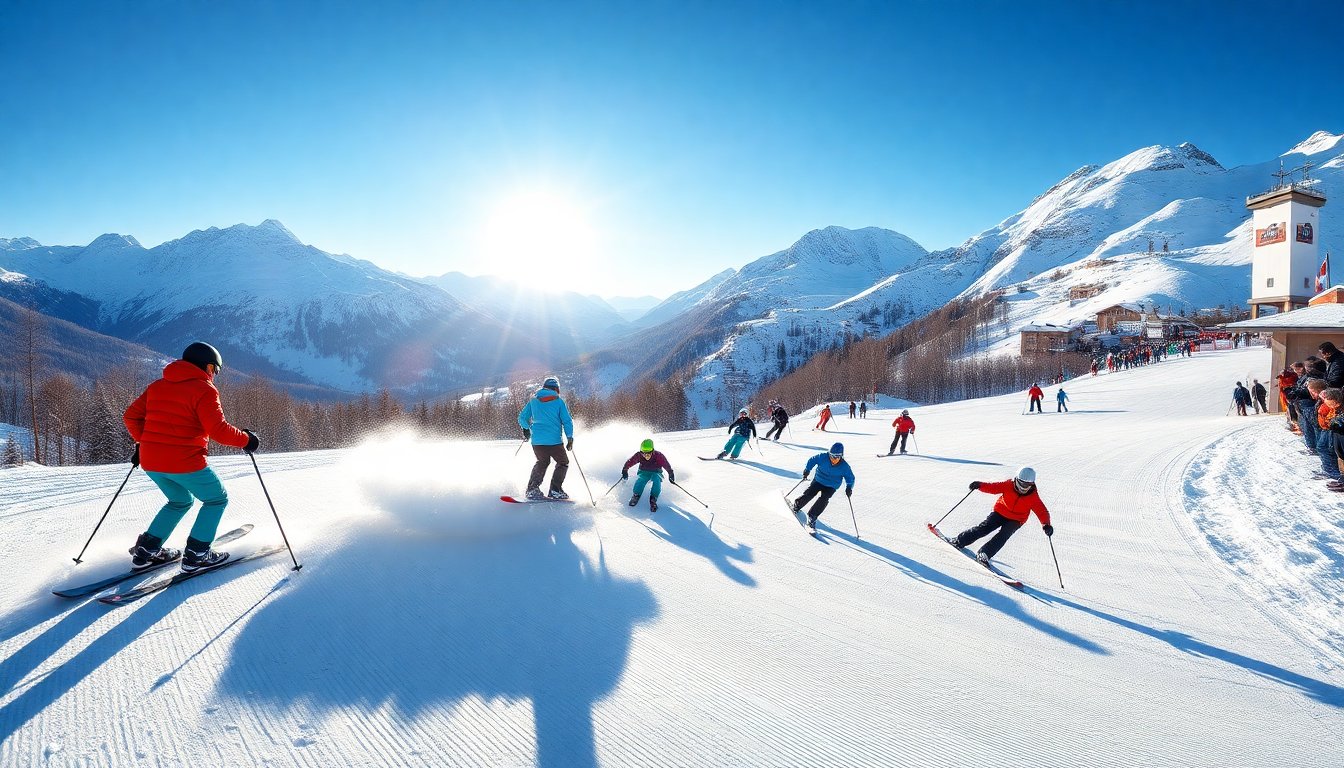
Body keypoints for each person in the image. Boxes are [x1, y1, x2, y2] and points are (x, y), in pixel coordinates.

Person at [123, 342, 257, 573]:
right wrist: (247, 440)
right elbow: (219, 431)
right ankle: (198, 554)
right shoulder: (204, 390)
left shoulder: (157, 386)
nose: (214, 374)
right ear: (206, 366)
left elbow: (130, 417)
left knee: (180, 501)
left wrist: (142, 442)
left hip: (151, 462)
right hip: (184, 461)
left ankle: (147, 548)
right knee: (216, 499)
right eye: (214, 369)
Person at [947, 467, 1053, 564]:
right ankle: (959, 541)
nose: (1024, 487)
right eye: (1022, 483)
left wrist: (1046, 524)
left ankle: (985, 553)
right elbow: (993, 487)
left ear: (1032, 484)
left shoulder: (1033, 497)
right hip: (1000, 512)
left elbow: (1042, 511)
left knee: (1003, 536)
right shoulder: (1009, 485)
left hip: (1016, 520)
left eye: (1027, 485)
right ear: (1016, 480)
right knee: (984, 528)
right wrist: (980, 485)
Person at [518, 375, 575, 499]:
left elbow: (522, 418)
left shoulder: (533, 401)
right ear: (556, 389)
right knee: (563, 463)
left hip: (537, 441)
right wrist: (570, 437)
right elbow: (567, 421)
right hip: (554, 441)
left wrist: (527, 429)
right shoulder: (559, 402)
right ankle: (555, 490)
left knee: (542, 462)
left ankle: (532, 489)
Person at [789, 442, 855, 532]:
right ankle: (797, 505)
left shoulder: (844, 467)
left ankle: (812, 516)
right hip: (819, 480)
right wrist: (807, 469)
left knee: (824, 499)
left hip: (832, 485)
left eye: (836, 457)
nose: (833, 458)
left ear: (841, 456)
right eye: (831, 456)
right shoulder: (823, 457)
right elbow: (812, 460)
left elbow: (850, 478)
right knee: (810, 493)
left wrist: (849, 487)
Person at [622, 439, 675, 513]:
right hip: (643, 472)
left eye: (648, 454)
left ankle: (653, 498)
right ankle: (636, 495)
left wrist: (670, 473)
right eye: (644, 453)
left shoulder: (658, 455)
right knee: (641, 479)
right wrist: (625, 469)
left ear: (652, 451)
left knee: (657, 479)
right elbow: (630, 461)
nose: (646, 456)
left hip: (656, 472)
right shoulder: (639, 455)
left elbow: (666, 464)